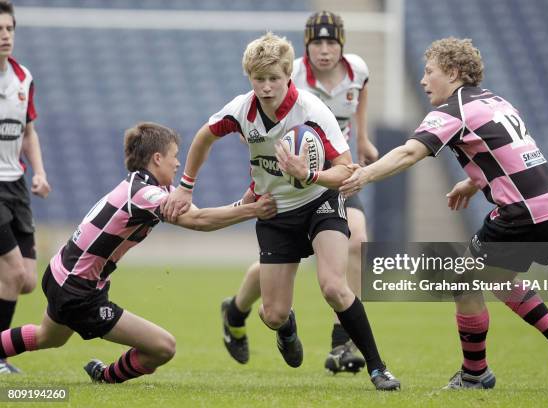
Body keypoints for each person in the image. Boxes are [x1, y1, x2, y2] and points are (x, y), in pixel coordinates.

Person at [340, 37, 548, 389]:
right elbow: (506, 150)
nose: (423, 81)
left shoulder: (453, 110)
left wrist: (366, 174)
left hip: (522, 212)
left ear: (454, 72)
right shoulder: (495, 101)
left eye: (430, 72)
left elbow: (410, 153)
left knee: (462, 281)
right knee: (499, 281)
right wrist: (472, 183)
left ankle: (475, 375)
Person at [163, 32, 400, 391]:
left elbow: (347, 168)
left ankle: (378, 368)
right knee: (273, 315)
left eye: (274, 78)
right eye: (259, 79)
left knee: (334, 287)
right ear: (250, 78)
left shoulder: (312, 111)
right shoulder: (241, 110)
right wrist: (186, 185)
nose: (267, 86)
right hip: (274, 212)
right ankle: (284, 326)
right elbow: (203, 137)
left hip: (320, 202)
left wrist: (310, 174)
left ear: (289, 75)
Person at [0, 122, 277, 383]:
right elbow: (198, 222)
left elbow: (196, 213)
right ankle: (105, 376)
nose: (179, 163)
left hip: (62, 273)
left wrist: (244, 203)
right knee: (163, 347)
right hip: (77, 290)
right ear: (157, 158)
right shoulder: (143, 195)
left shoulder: (149, 187)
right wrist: (252, 211)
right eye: (174, 156)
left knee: (49, 336)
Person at [219, 10, 377, 374]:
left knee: (356, 241)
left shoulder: (358, 69)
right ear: (305, 48)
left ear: (342, 45)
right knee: (278, 265)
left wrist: (363, 136)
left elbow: (361, 94)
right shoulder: (289, 75)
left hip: (331, 173)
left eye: (331, 42)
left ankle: (343, 343)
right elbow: (252, 123)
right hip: (284, 179)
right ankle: (237, 309)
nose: (324, 50)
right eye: (317, 43)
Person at [0, 0, 51, 374]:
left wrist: (39, 172)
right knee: (13, 273)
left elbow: (28, 132)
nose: (4, 37)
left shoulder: (23, 78)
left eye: (9, 29)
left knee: (28, 280)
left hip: (16, 185)